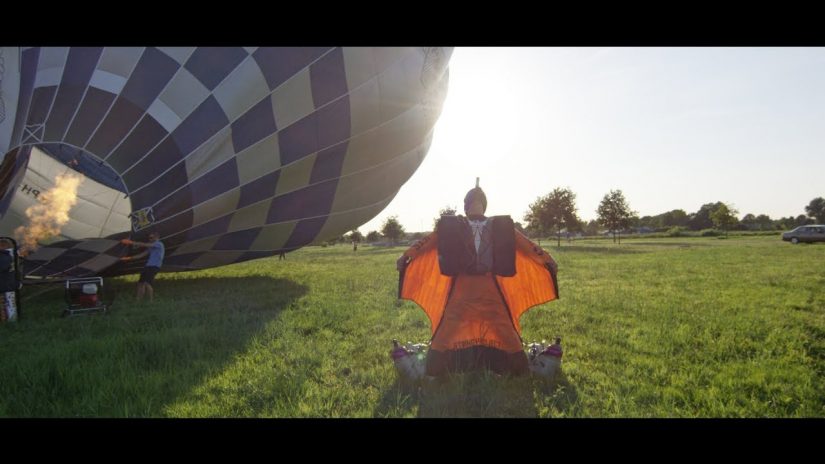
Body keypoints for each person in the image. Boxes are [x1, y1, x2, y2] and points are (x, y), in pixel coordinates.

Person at [397, 179, 559, 377]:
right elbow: (529, 246)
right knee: (505, 329)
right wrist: (548, 260)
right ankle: (522, 372)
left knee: (447, 329)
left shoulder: (451, 226)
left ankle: (432, 373)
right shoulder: (501, 226)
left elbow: (424, 243)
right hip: (488, 290)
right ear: (484, 204)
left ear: (466, 206)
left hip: (462, 291)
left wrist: (406, 256)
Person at [120, 231, 165, 303]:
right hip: (148, 266)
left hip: (154, 266)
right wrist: (129, 258)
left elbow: (144, 244)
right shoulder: (152, 247)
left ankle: (151, 301)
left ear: (157, 237)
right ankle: (138, 300)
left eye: (151, 238)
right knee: (141, 283)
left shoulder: (159, 244)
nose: (149, 239)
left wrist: (131, 242)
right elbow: (141, 255)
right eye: (149, 238)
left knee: (147, 283)